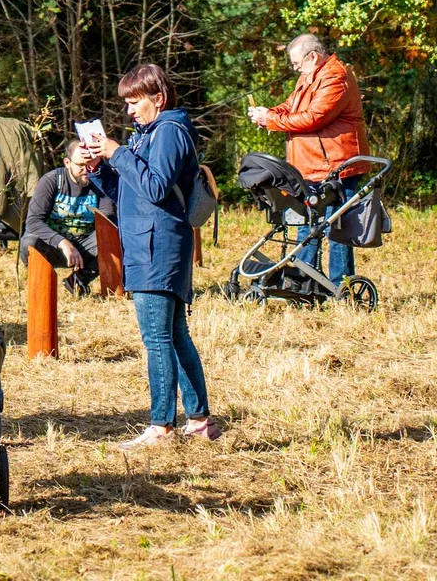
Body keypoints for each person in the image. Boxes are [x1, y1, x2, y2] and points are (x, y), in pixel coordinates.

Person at [86, 64, 220, 449]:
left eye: (134, 101)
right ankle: (199, 420)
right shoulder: (148, 135)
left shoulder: (169, 133)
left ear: (157, 99)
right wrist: (100, 168)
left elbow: (158, 187)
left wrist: (118, 152)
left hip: (158, 247)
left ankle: (161, 426)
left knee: (157, 337)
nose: (129, 110)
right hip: (149, 244)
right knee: (176, 334)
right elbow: (129, 188)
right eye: (126, 103)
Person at [247, 34, 371, 284]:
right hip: (312, 165)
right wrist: (268, 113)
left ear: (313, 56)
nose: (295, 69)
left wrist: (271, 121)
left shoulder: (335, 78)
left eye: (296, 63)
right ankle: (304, 281)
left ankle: (340, 286)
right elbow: (291, 106)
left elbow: (314, 117)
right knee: (307, 225)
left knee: (337, 229)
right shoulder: (310, 76)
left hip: (337, 165)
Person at [20, 138, 117, 297]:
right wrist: (63, 243)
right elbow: (33, 221)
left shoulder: (100, 182)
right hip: (54, 244)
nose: (86, 170)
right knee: (28, 243)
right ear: (67, 162)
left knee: (114, 237)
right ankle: (40, 287)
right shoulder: (52, 181)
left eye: (90, 165)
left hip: (85, 245)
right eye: (80, 165)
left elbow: (108, 220)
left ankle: (78, 281)